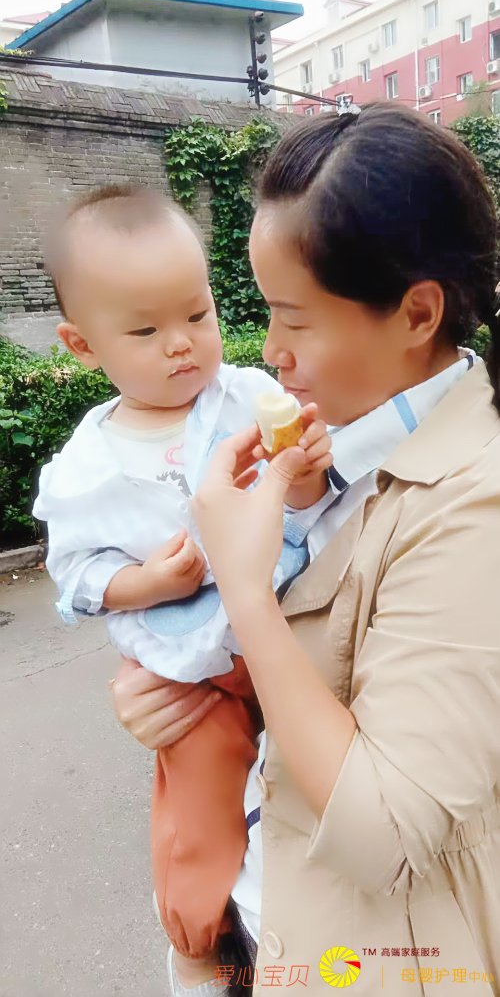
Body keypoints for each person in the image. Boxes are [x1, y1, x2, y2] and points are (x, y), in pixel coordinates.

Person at [112, 102, 500, 996]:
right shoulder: (336, 451)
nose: (270, 351)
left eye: (294, 318)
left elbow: (387, 830)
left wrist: (247, 595)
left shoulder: (473, 502)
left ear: (417, 313)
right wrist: (174, 690)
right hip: (268, 929)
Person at [32, 186, 333, 995]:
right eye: (144, 331)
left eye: (197, 314)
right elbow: (76, 576)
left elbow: (306, 497)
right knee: (200, 808)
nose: (181, 345)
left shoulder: (245, 396)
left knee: (309, 784)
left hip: (289, 626)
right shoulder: (86, 468)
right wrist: (145, 582)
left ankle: (295, 927)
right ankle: (202, 945)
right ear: (81, 344)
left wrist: (304, 470)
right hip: (187, 669)